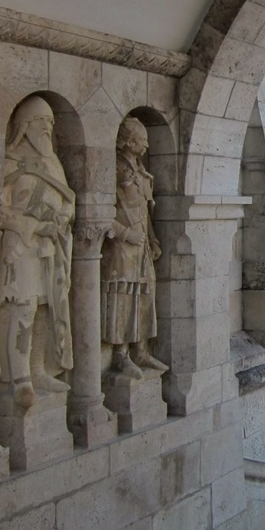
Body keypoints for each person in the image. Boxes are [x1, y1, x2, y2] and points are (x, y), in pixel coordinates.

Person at [0, 96, 75, 408]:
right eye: (42, 121)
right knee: (23, 307)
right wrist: (31, 225)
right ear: (25, 125)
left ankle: (38, 370)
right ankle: (20, 378)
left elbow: (69, 200)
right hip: (20, 246)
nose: (48, 128)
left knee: (46, 306)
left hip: (51, 245)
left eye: (51, 123)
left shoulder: (52, 162)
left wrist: (61, 219)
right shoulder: (9, 161)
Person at [101, 118, 168, 379]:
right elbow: (99, 212)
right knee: (123, 299)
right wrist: (126, 234)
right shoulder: (114, 168)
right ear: (129, 141)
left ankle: (140, 349)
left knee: (145, 295)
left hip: (141, 249)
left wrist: (153, 239)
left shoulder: (139, 172)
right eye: (142, 139)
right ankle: (120, 354)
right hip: (120, 250)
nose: (147, 144)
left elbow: (144, 212)